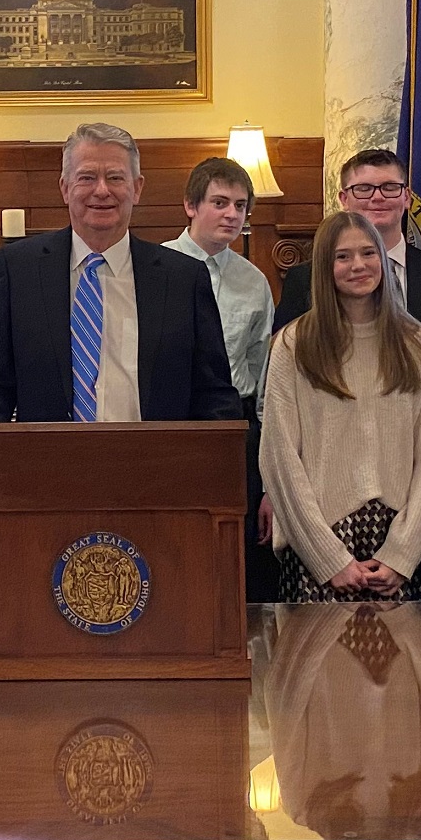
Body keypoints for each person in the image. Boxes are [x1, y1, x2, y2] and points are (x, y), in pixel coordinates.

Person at [0, 122, 242, 423]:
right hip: (43, 463)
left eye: (115, 177)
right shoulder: (18, 271)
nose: (102, 190)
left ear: (137, 188)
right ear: (65, 188)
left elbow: (213, 394)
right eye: (87, 177)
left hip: (157, 463)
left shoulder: (184, 279)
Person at [260, 211, 421, 602]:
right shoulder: (294, 344)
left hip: (399, 541)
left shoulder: (419, 344)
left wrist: (403, 554)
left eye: (368, 253)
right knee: (318, 664)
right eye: (342, 257)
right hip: (319, 538)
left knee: (409, 665)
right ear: (324, 267)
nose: (358, 265)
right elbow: (279, 457)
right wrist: (328, 558)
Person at [272, 148, 421, 405]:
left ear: (407, 197)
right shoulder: (304, 279)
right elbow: (288, 367)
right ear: (344, 199)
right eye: (363, 189)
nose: (377, 197)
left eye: (389, 187)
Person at [163, 157, 277, 602]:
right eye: (220, 202)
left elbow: (262, 373)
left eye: (241, 206)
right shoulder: (155, 268)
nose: (232, 214)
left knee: (233, 548)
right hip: (173, 427)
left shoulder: (254, 281)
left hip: (236, 427)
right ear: (191, 205)